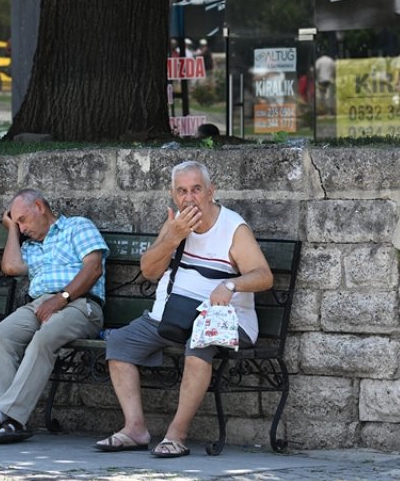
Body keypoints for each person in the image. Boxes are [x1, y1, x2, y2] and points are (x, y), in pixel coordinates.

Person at [96, 161, 272, 458]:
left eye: (196, 189)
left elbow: (264, 276)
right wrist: (173, 236)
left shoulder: (232, 228)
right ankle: (135, 429)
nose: (189, 198)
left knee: (198, 344)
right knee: (119, 343)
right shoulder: (176, 224)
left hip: (224, 319)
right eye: (182, 191)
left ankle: (177, 435)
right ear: (173, 195)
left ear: (211, 191)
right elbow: (149, 271)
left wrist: (229, 286)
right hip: (173, 314)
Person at [0, 190, 109, 444]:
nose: (22, 228)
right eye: (18, 223)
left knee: (43, 338)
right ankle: (10, 423)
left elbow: (93, 268)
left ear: (39, 206)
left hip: (80, 304)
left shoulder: (78, 226)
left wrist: (63, 298)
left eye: (23, 220)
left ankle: (3, 415)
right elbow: (11, 268)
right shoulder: (31, 245)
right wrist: (12, 228)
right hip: (40, 304)